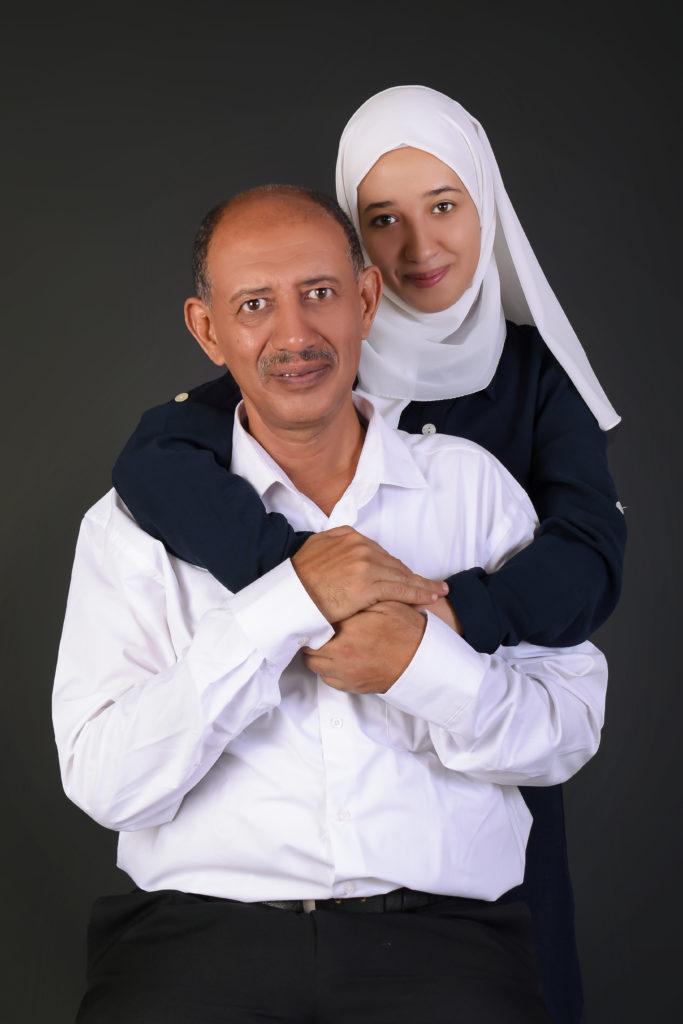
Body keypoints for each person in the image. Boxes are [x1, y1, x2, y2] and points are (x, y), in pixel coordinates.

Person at [111, 87, 626, 1022]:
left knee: (521, 949)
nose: (418, 246)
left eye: (445, 205)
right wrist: (305, 580)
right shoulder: (307, 350)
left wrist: (447, 614)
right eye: (380, 220)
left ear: (486, 207)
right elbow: (157, 454)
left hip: (475, 724)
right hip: (245, 890)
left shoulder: (532, 380)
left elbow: (588, 558)